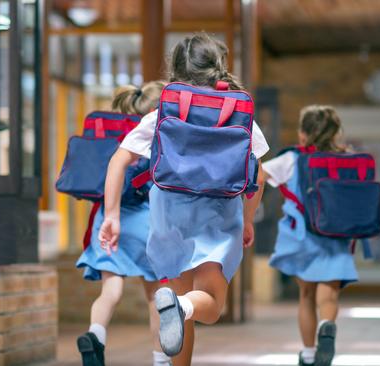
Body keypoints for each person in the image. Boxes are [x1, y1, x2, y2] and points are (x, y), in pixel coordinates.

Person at [99, 33, 269, 366]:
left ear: (175, 67)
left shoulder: (164, 110)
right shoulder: (237, 110)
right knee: (209, 304)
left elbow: (118, 160)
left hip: (169, 215)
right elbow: (259, 175)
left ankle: (179, 309)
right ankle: (183, 306)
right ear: (217, 65)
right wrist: (248, 217)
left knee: (179, 303)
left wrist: (111, 215)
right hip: (218, 216)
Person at [75, 81, 171, 366]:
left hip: (109, 219)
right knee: (156, 297)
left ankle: (96, 335)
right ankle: (160, 360)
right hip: (145, 221)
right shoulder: (155, 132)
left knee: (111, 291)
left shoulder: (116, 134)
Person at [260, 105, 359, 366]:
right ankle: (327, 325)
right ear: (334, 133)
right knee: (328, 295)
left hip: (301, 236)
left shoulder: (291, 159)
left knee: (306, 296)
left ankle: (307, 354)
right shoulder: (348, 159)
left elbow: (256, 177)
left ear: (303, 134)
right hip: (336, 236)